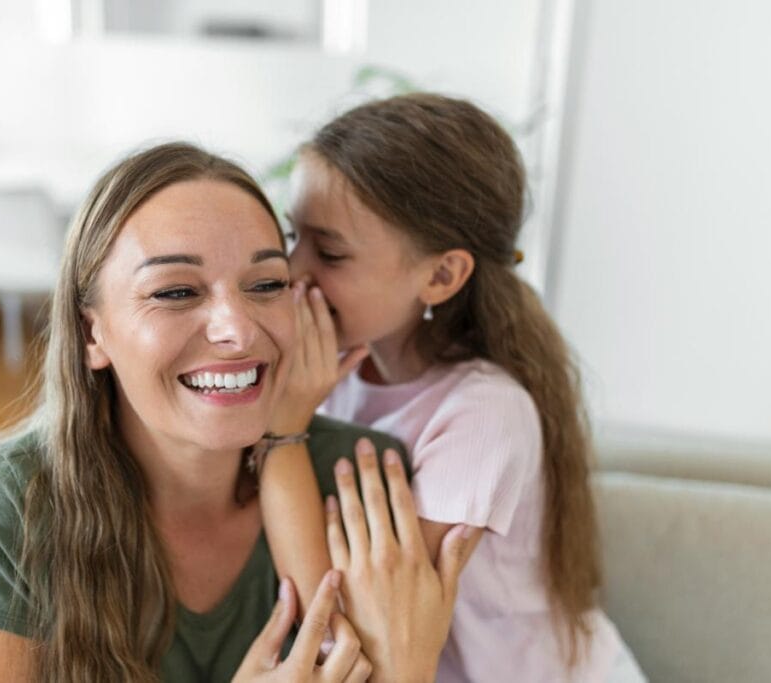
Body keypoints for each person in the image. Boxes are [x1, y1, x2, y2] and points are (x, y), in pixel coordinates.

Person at [0, 142, 470, 682]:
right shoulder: (16, 503)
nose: (238, 329)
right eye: (176, 291)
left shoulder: (366, 481)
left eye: (267, 284)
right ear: (93, 332)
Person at [261, 93, 647, 681]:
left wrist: (283, 434)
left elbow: (343, 629)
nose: (293, 269)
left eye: (331, 252)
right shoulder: (334, 375)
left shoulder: (485, 414)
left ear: (441, 276)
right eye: (295, 238)